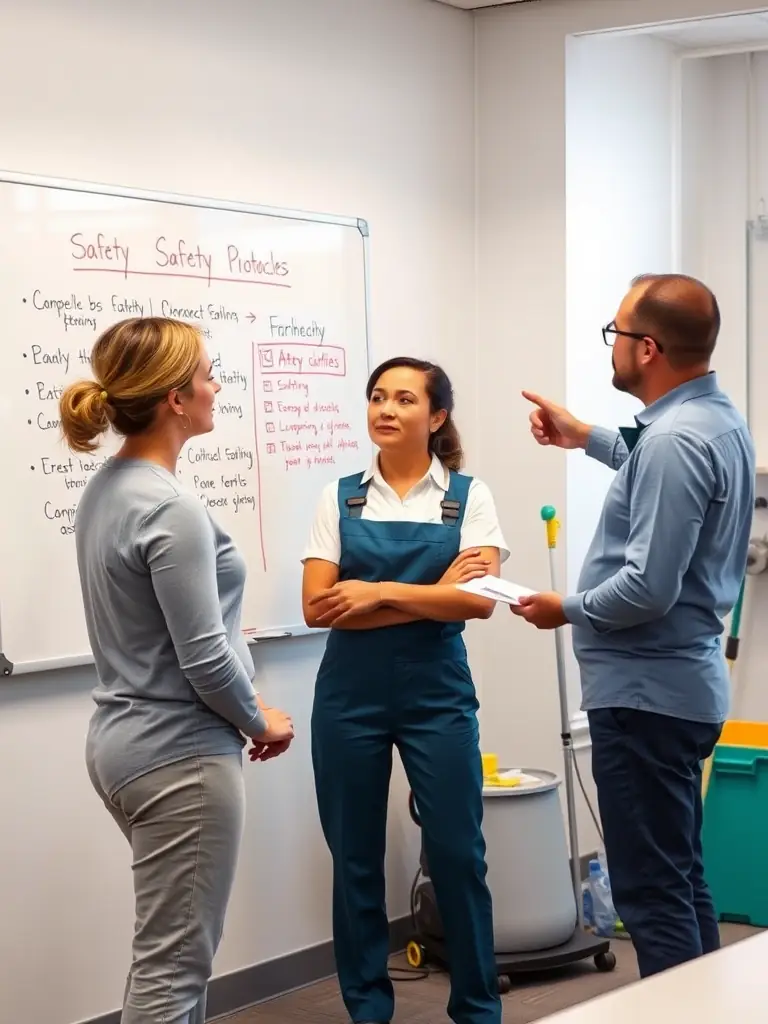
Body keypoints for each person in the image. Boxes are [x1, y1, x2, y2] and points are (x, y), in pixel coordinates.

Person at [513, 274, 755, 978]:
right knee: (678, 881)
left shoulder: (677, 439)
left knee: (651, 896)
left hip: (647, 699)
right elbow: (656, 469)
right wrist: (584, 435)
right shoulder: (709, 420)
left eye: (616, 333)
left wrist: (567, 608)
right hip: (673, 691)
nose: (611, 346)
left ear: (647, 348)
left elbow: (648, 589)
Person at [58, 317, 294, 1024]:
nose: (216, 386)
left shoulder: (109, 487)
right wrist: (260, 719)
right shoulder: (170, 506)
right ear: (174, 400)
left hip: (125, 745)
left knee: (165, 958)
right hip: (180, 755)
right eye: (206, 376)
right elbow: (203, 659)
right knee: (174, 974)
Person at [301, 356, 507, 1024]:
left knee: (457, 854)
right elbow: (317, 608)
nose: (386, 410)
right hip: (348, 697)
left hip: (438, 695)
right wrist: (435, 590)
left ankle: (477, 1008)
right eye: (377, 397)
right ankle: (368, 1008)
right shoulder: (338, 497)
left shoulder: (468, 497)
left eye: (404, 399)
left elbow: (479, 606)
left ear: (436, 415)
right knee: (355, 858)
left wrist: (378, 592)